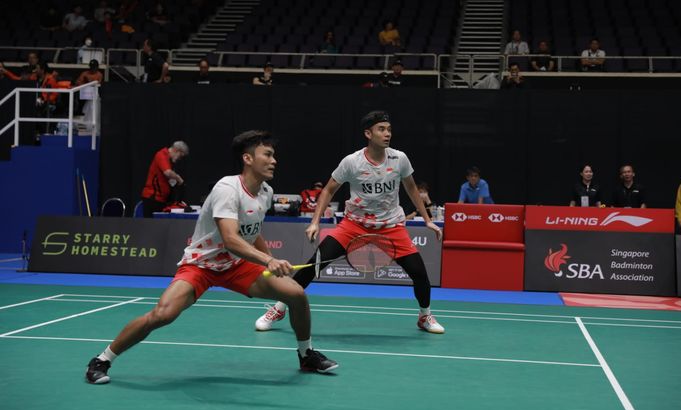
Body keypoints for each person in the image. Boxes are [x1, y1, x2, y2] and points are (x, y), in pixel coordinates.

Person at [85, 131, 338, 384]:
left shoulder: (266, 191)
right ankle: (103, 359)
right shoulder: (227, 188)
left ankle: (306, 355)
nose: (274, 161)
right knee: (162, 314)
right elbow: (230, 238)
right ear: (248, 158)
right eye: (268, 155)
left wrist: (270, 262)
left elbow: (252, 232)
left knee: (296, 294)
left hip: (236, 266)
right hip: (201, 265)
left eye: (274, 155)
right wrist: (267, 261)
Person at [255, 111, 445, 334]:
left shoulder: (399, 158)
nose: (387, 134)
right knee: (314, 264)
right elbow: (328, 189)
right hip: (354, 225)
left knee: (419, 273)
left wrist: (428, 220)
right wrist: (315, 221)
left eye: (389, 129)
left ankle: (424, 316)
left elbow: (411, 188)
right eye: (381, 129)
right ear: (368, 133)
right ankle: (279, 308)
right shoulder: (352, 162)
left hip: (390, 225)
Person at [141, 141, 189, 218]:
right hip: (152, 198)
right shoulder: (161, 155)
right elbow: (167, 173)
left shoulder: (170, 162)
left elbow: (170, 181)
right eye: (180, 156)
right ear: (177, 150)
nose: (179, 159)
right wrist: (179, 178)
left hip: (162, 200)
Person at [75, 59, 103, 124]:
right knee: (77, 94)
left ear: (97, 67)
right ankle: (79, 111)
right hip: (84, 92)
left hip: (94, 93)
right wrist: (85, 83)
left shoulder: (99, 74)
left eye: (94, 67)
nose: (92, 68)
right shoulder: (85, 73)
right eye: (91, 66)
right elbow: (78, 82)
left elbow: (98, 84)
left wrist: (90, 82)